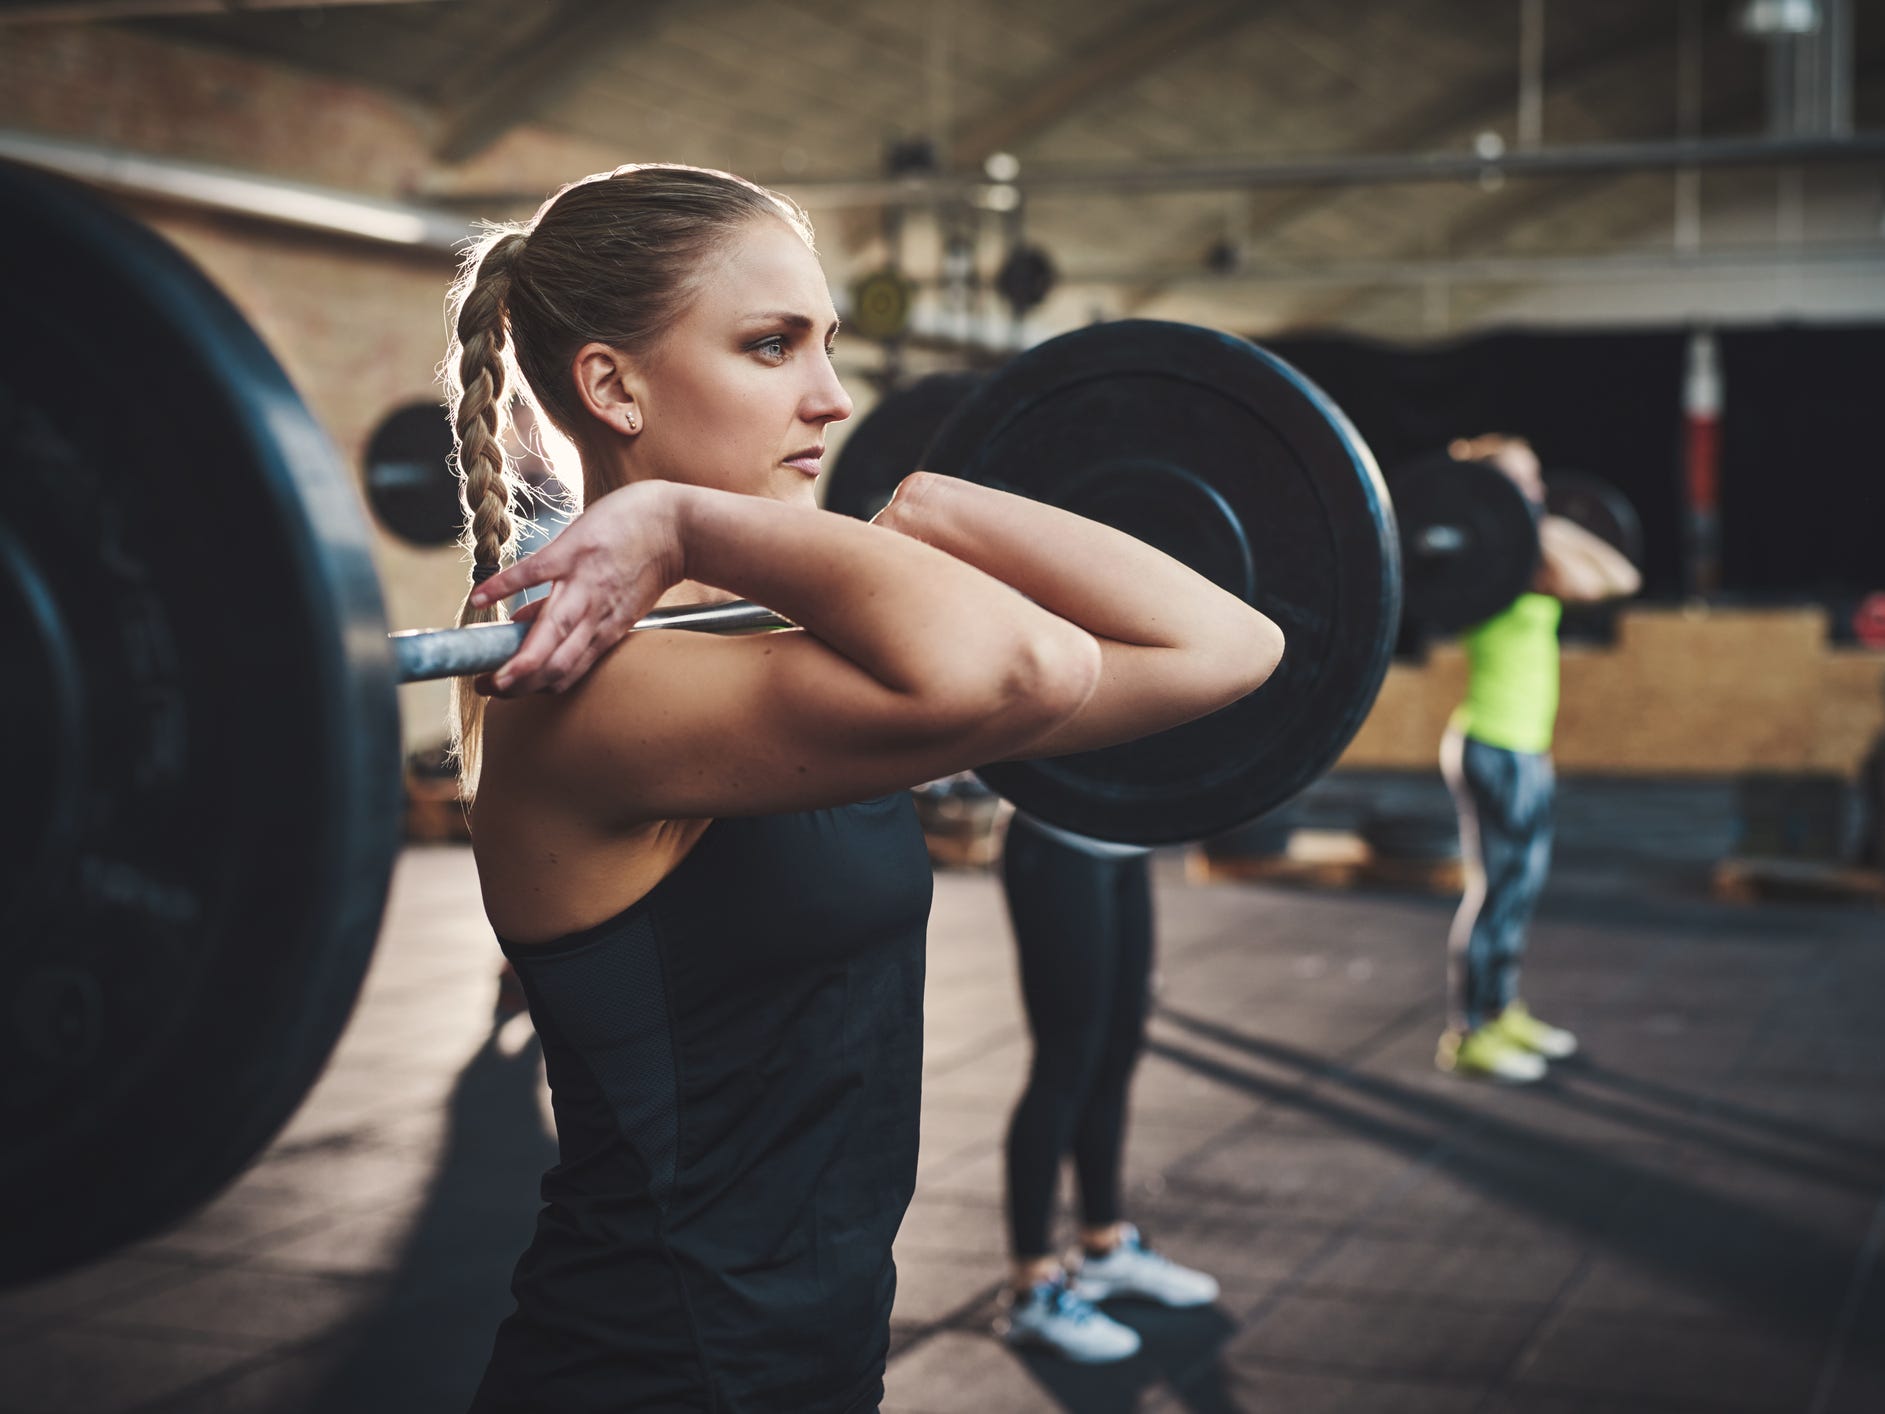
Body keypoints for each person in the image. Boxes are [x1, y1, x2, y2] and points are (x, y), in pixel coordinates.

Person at [440, 163, 1284, 1412]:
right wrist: (691, 521)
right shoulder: (600, 699)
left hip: (808, 1366)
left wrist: (937, 507)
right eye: (771, 346)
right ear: (612, 386)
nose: (830, 398)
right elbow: (1030, 661)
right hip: (652, 1374)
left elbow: (1230, 648)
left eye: (827, 346)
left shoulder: (766, 665)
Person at [1435, 434, 1640, 1085]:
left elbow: (1622, 577)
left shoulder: (1525, 547)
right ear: (1490, 499)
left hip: (1523, 745)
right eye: (1521, 484)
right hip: (1493, 744)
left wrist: (1533, 515)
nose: (1538, 495)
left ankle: (1501, 1010)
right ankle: (1469, 1033)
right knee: (1495, 893)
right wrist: (1525, 520)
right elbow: (1591, 581)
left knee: (1516, 893)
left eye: (1536, 481)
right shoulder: (1495, 563)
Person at [993, 816, 1219, 1363]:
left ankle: (1102, 1247)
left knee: (1117, 1051)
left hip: (1126, 838)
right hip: (1057, 839)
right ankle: (1032, 1288)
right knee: (1064, 1061)